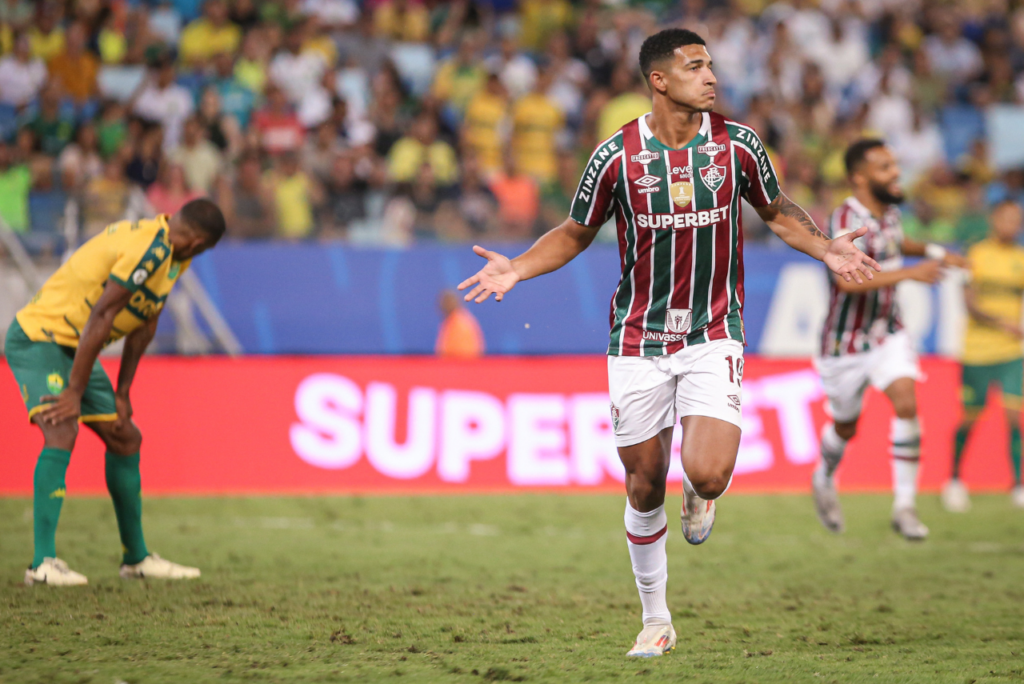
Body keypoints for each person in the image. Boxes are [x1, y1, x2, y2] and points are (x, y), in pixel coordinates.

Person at [458, 29, 879, 658]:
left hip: (714, 330)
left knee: (707, 474)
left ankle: (701, 497)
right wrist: (516, 266)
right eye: (695, 66)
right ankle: (656, 620)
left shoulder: (738, 147)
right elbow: (576, 232)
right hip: (638, 337)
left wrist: (825, 246)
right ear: (660, 80)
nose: (711, 76)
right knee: (643, 482)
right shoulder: (616, 156)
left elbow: (777, 209)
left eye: (710, 65)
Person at [4, 199, 226, 586]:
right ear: (197, 242)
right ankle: (42, 564)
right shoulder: (148, 249)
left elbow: (146, 320)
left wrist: (123, 391)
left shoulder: (173, 255)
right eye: (204, 250)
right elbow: (102, 315)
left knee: (125, 437)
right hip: (41, 337)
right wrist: (74, 390)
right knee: (62, 428)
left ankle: (135, 559)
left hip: (73, 346)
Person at [812, 139, 967, 540]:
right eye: (884, 167)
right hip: (844, 341)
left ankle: (905, 506)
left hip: (888, 331)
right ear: (860, 177)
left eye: (894, 164)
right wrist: (910, 274)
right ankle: (825, 475)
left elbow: (898, 245)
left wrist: (936, 251)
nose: (895, 172)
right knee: (846, 426)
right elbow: (845, 284)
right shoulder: (846, 217)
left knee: (906, 399)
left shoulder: (892, 213)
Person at [944, 201, 1024, 511]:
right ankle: (953, 479)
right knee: (970, 418)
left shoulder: (1020, 257)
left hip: (1010, 352)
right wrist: (1001, 322)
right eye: (1006, 218)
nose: (1012, 224)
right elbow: (969, 303)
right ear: (994, 219)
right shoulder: (975, 254)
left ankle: (1018, 484)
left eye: (1017, 219)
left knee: (1014, 417)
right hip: (977, 351)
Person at [436, 290, 484, 359]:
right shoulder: (450, 321)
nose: (443, 306)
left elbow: (465, 353)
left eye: (447, 302)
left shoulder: (461, 323)